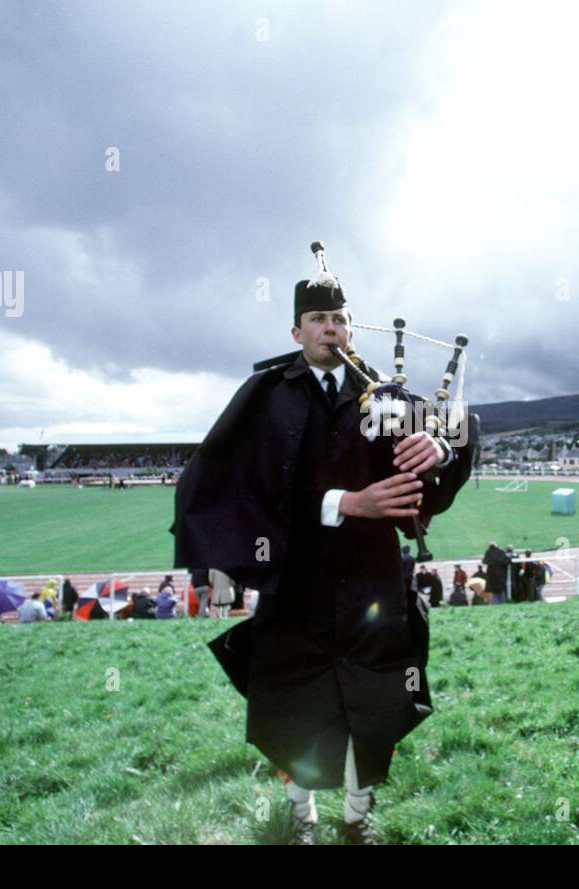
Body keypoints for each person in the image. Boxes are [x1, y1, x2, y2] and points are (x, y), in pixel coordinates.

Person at [172, 257, 476, 845]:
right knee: (296, 704)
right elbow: (233, 484)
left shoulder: (384, 394)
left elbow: (457, 431)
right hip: (296, 581)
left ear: (351, 329)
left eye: (340, 318)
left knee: (378, 699)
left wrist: (439, 450)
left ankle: (358, 817)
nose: (331, 328)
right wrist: (344, 503)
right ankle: (302, 815)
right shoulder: (264, 397)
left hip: (374, 581)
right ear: (296, 332)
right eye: (318, 318)